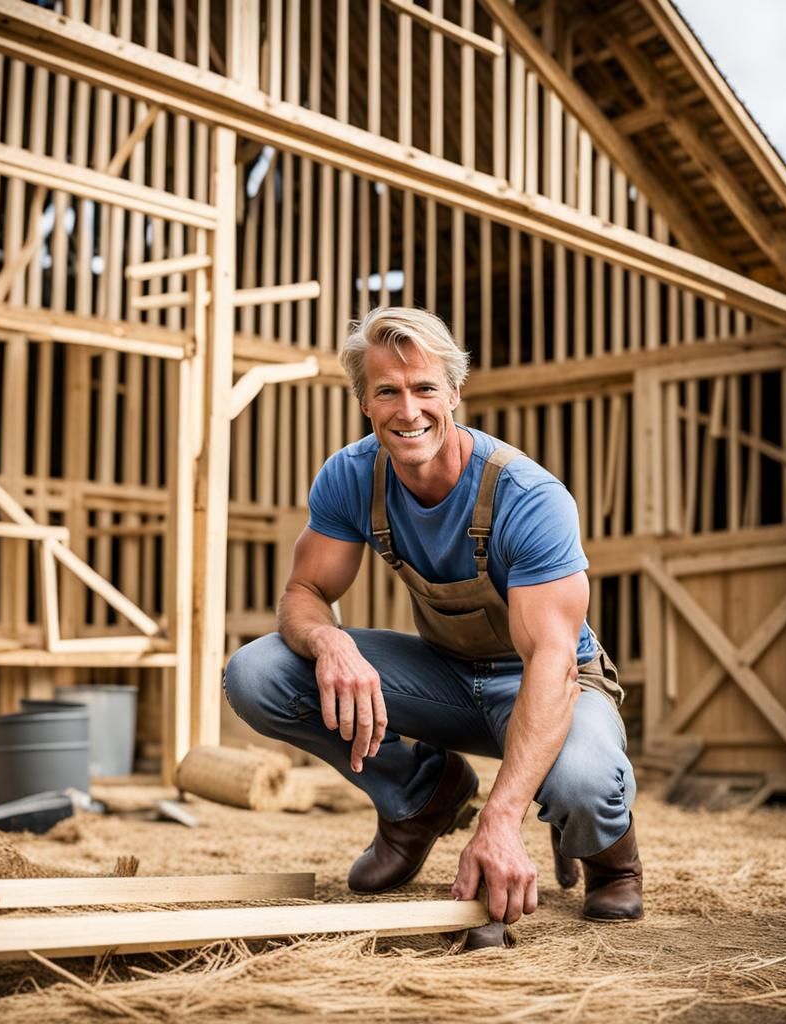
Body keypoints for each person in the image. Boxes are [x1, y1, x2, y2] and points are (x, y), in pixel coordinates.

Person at [224, 307, 641, 930]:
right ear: (365, 402)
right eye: (387, 391)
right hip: (443, 678)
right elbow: (304, 589)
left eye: (424, 388)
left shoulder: (527, 497)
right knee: (258, 673)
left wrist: (502, 822)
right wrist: (329, 641)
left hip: (552, 682)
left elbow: (551, 664)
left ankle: (612, 862)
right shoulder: (351, 476)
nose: (408, 409)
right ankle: (422, 797)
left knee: (581, 780)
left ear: (454, 392)